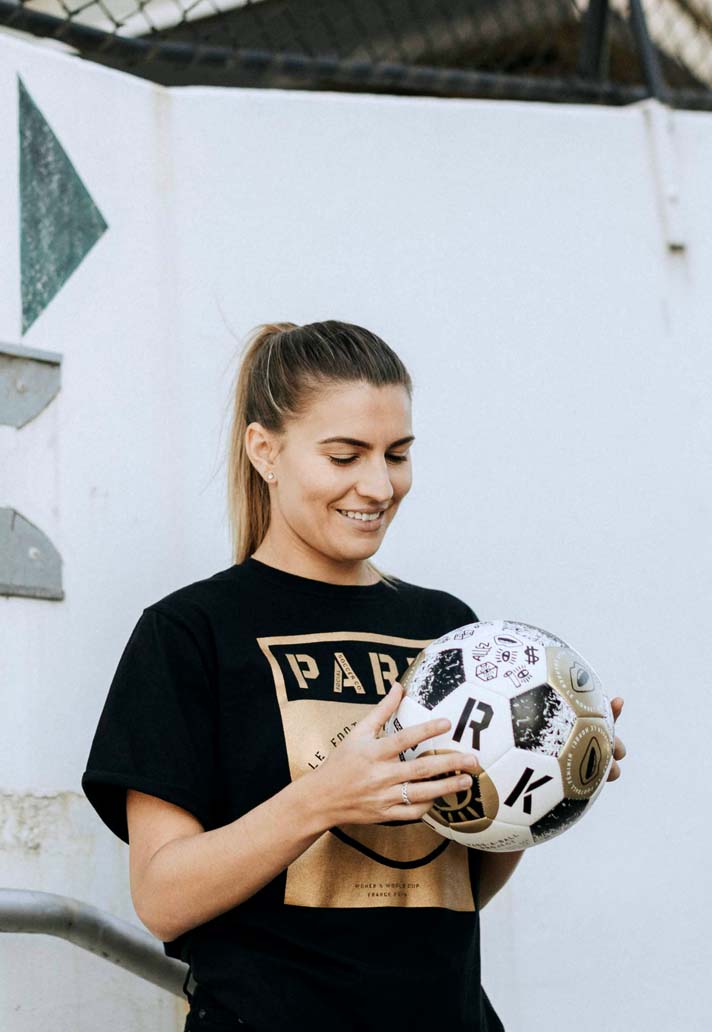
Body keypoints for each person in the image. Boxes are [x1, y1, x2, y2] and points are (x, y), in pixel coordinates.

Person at [81, 320, 626, 1032]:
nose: (378, 485)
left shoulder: (450, 631)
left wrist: (547, 781)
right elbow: (161, 899)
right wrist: (323, 798)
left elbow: (454, 889)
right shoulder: (190, 633)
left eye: (397, 454)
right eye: (345, 456)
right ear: (265, 451)